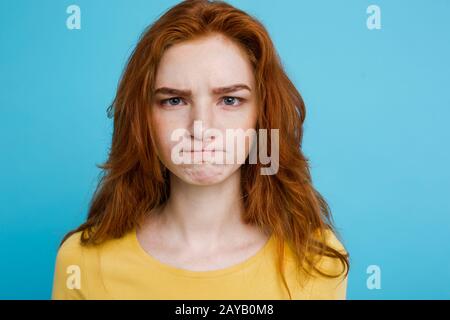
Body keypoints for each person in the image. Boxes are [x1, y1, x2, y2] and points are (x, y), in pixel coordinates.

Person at [52, 0, 350, 300]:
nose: (201, 128)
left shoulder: (317, 260)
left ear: (262, 117)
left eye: (230, 100)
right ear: (144, 120)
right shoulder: (81, 262)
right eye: (174, 100)